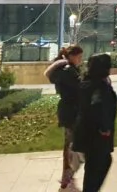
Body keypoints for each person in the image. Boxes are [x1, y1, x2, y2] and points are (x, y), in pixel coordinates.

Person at [73, 53, 117, 192]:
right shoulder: (99, 87)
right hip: (96, 136)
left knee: (95, 166)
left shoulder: (88, 82)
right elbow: (98, 107)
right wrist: (104, 128)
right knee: (98, 166)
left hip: (88, 134)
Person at [45, 46, 84, 192]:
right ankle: (67, 180)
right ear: (72, 56)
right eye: (79, 57)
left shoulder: (66, 70)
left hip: (68, 111)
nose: (81, 60)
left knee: (70, 145)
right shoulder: (68, 71)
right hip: (71, 111)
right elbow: (79, 89)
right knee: (72, 146)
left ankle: (67, 179)